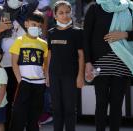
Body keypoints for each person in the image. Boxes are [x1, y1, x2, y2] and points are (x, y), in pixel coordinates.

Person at [83, 0, 133, 131]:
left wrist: (124, 34)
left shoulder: (129, 7)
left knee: (117, 104)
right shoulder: (94, 8)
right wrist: (88, 62)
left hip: (123, 62)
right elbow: (86, 36)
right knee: (101, 103)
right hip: (99, 64)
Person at [0, 0, 39, 128]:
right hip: (4, 64)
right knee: (5, 102)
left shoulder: (26, 10)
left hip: (26, 65)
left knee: (24, 102)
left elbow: (36, 2)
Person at [46, 1, 84, 131]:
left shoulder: (77, 32)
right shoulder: (51, 33)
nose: (65, 15)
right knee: (56, 108)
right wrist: (47, 74)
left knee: (69, 109)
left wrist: (80, 76)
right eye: (61, 13)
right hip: (54, 75)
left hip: (71, 75)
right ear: (55, 16)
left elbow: (81, 55)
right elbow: (49, 55)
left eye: (67, 12)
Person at [9, 10, 48, 131]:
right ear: (26, 24)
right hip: (24, 83)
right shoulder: (19, 40)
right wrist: (20, 81)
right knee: (18, 115)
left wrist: (46, 79)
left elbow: (45, 64)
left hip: (39, 84)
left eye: (39, 26)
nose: (36, 27)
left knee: (34, 116)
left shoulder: (44, 44)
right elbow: (14, 63)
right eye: (34, 24)